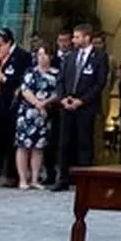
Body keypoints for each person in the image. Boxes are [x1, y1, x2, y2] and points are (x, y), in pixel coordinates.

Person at [53, 24, 109, 191]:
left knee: (84, 142)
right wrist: (63, 98)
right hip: (67, 105)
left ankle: (85, 181)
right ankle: (63, 178)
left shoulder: (99, 57)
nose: (73, 40)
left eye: (77, 37)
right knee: (65, 143)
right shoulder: (70, 56)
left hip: (85, 107)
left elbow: (99, 83)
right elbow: (61, 79)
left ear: (87, 38)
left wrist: (82, 101)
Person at [0, 28, 34, 186]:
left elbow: (23, 78)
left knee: (9, 140)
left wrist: (6, 79)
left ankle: (11, 175)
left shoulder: (22, 55)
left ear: (8, 41)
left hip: (9, 101)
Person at [15, 46, 60, 189]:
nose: (42, 57)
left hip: (44, 114)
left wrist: (45, 103)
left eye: (45, 55)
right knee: (23, 146)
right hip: (28, 113)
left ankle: (35, 178)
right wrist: (36, 103)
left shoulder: (56, 74)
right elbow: (25, 90)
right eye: (39, 55)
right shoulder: (30, 72)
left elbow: (58, 92)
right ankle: (23, 179)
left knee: (38, 147)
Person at [43, 29, 73, 185]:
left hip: (67, 104)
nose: (63, 44)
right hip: (51, 107)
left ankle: (67, 175)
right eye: (60, 40)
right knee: (50, 142)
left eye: (66, 40)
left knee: (66, 142)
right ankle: (50, 173)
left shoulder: (75, 58)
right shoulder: (52, 59)